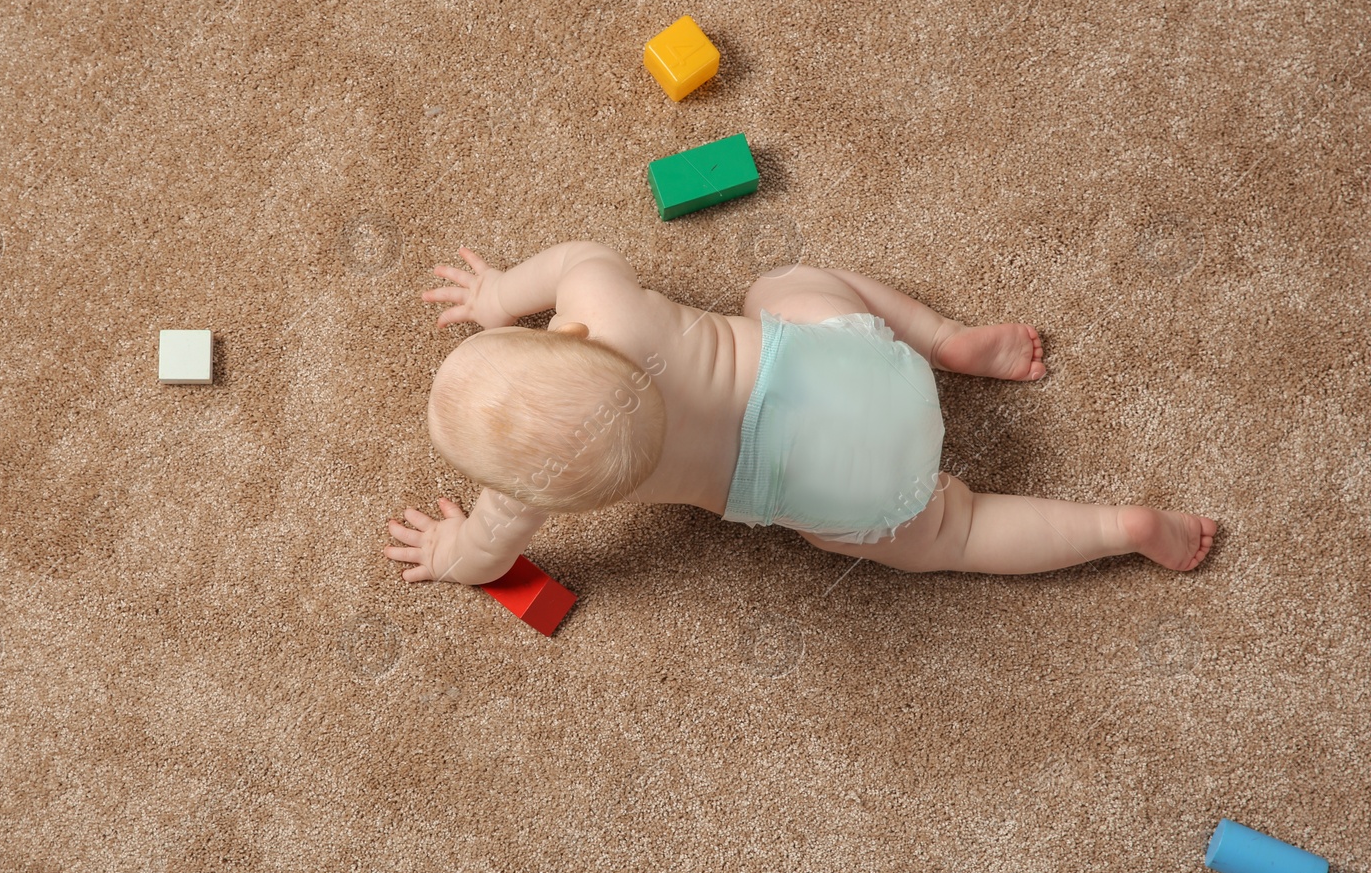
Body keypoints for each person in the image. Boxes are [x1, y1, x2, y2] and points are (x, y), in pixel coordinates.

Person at [385, 241, 1215, 585]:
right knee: (782, 286)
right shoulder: (601, 304)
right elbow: (577, 253)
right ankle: (946, 342)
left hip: (859, 490)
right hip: (871, 373)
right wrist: (498, 294)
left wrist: (450, 547)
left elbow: (485, 557)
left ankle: (1118, 528)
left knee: (954, 533)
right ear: (566, 332)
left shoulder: (526, 491)